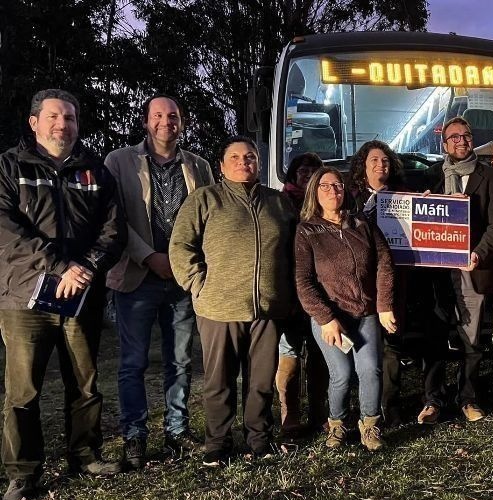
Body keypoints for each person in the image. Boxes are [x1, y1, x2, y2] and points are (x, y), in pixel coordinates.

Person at [0, 89, 126, 500]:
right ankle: (23, 474)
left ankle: (85, 455)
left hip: (80, 295)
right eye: (54, 116)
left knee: (86, 383)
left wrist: (86, 268)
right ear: (34, 122)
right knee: (23, 391)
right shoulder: (8, 166)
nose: (63, 125)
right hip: (25, 297)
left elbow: (113, 230)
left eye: (70, 118)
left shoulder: (95, 170)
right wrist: (59, 265)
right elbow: (7, 231)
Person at [170, 136, 297, 465]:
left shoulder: (279, 202)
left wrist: (287, 292)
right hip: (219, 308)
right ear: (222, 166)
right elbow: (181, 245)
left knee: (260, 380)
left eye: (251, 157)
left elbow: (295, 250)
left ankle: (258, 438)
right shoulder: (205, 199)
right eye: (236, 157)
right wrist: (199, 284)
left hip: (268, 309)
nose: (244, 162)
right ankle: (218, 441)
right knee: (219, 380)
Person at [105, 94, 213, 469]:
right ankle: (134, 437)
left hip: (181, 280)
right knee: (133, 363)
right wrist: (149, 256)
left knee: (180, 361)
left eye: (173, 115)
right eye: (159, 115)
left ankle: (177, 432)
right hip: (138, 276)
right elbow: (113, 217)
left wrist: (186, 264)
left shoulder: (199, 166)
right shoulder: (119, 161)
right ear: (146, 121)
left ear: (182, 121)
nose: (166, 121)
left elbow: (207, 220)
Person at [294, 167, 396, 451]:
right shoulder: (307, 231)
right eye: (325, 186)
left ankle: (370, 424)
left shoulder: (363, 225)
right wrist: (326, 318)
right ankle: (336, 424)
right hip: (331, 317)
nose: (333, 191)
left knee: (371, 370)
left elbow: (384, 263)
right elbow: (303, 280)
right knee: (340, 374)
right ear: (315, 192)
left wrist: (384, 305)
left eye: (337, 185)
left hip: (365, 313)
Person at [418, 117, 493, 424]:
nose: (460, 140)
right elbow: (410, 214)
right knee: (435, 335)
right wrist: (422, 206)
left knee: (471, 338)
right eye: (453, 137)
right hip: (436, 272)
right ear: (444, 144)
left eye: (466, 135)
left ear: (473, 140)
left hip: (472, 268)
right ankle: (432, 400)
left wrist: (479, 253)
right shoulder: (430, 177)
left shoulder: (491, 176)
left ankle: (468, 398)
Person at [347, 140, 410, 425]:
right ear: (363, 165)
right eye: (374, 160)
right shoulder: (349, 199)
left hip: (393, 279)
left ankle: (391, 404)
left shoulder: (404, 197)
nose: (380, 165)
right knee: (359, 347)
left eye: (385, 161)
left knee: (392, 345)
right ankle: (357, 406)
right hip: (357, 283)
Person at [277, 153, 327, 440]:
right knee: (290, 350)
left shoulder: (327, 204)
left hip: (321, 290)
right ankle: (290, 414)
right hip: (289, 291)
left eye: (313, 170)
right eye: (302, 169)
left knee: (320, 353)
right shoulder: (280, 204)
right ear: (293, 174)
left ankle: (319, 412)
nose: (307, 174)